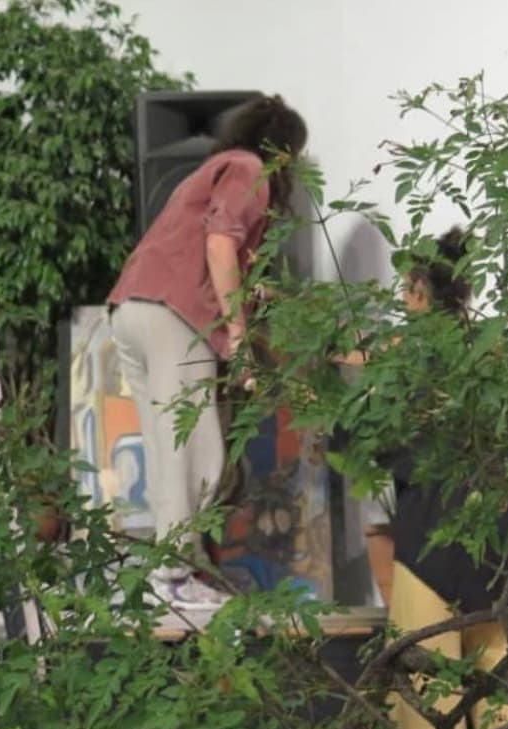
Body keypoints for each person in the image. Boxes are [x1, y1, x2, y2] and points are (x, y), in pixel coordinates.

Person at [360, 227, 508, 729]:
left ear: (420, 288)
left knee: (427, 677)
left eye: (405, 287)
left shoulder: (409, 357)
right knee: (495, 667)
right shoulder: (494, 351)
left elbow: (378, 443)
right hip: (493, 540)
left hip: (431, 537)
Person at [107, 95, 307, 604]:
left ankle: (176, 573)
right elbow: (220, 245)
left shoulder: (210, 169)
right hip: (174, 316)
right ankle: (173, 579)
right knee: (197, 452)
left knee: (166, 450)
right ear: (283, 149)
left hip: (132, 309)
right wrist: (238, 336)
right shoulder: (249, 169)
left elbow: (216, 252)